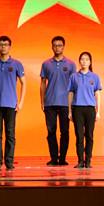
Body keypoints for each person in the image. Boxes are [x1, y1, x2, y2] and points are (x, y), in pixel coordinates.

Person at [0, 35, 26, 171]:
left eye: (6, 45)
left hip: (11, 105)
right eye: (1, 45)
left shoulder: (16, 64)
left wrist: (20, 102)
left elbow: (24, 83)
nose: (3, 47)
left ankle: (9, 162)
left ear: (10, 47)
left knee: (10, 134)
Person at [40, 36, 76, 166]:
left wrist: (73, 104)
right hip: (50, 103)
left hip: (65, 103)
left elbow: (74, 85)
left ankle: (62, 159)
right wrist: (42, 101)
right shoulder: (46, 64)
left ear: (63, 47)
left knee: (65, 132)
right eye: (55, 45)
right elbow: (42, 84)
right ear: (52, 47)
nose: (57, 48)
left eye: (59, 45)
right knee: (51, 132)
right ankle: (54, 158)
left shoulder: (71, 64)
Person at [68, 51, 101, 169]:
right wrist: (70, 111)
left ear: (90, 62)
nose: (84, 61)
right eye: (82, 59)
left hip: (90, 109)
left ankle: (88, 161)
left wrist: (98, 111)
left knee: (89, 136)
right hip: (77, 108)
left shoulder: (95, 77)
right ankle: (80, 161)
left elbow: (97, 94)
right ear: (79, 61)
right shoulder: (74, 76)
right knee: (79, 136)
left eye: (87, 59)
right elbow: (71, 93)